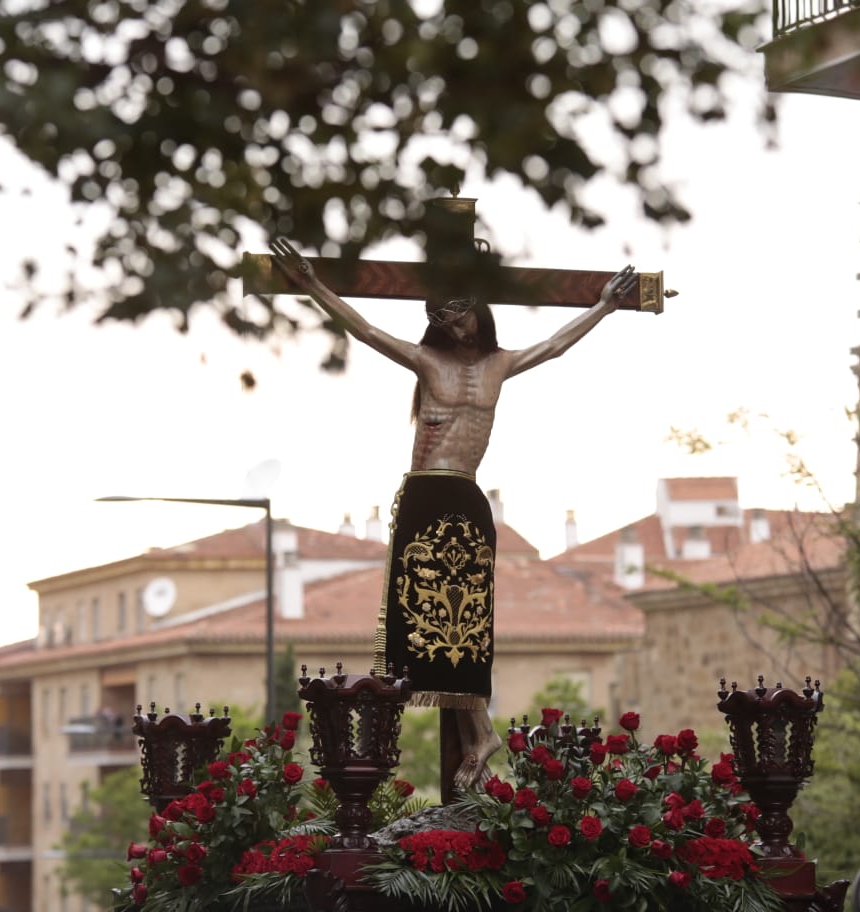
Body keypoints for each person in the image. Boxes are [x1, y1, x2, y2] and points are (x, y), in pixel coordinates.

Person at [269, 237, 638, 790]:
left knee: (465, 624)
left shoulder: (499, 364)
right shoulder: (426, 359)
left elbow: (556, 345)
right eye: (443, 320)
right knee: (424, 623)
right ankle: (477, 735)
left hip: (466, 496)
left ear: (477, 313)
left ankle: (479, 734)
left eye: (461, 317)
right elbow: (365, 331)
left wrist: (605, 305)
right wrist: (312, 284)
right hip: (424, 495)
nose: (456, 329)